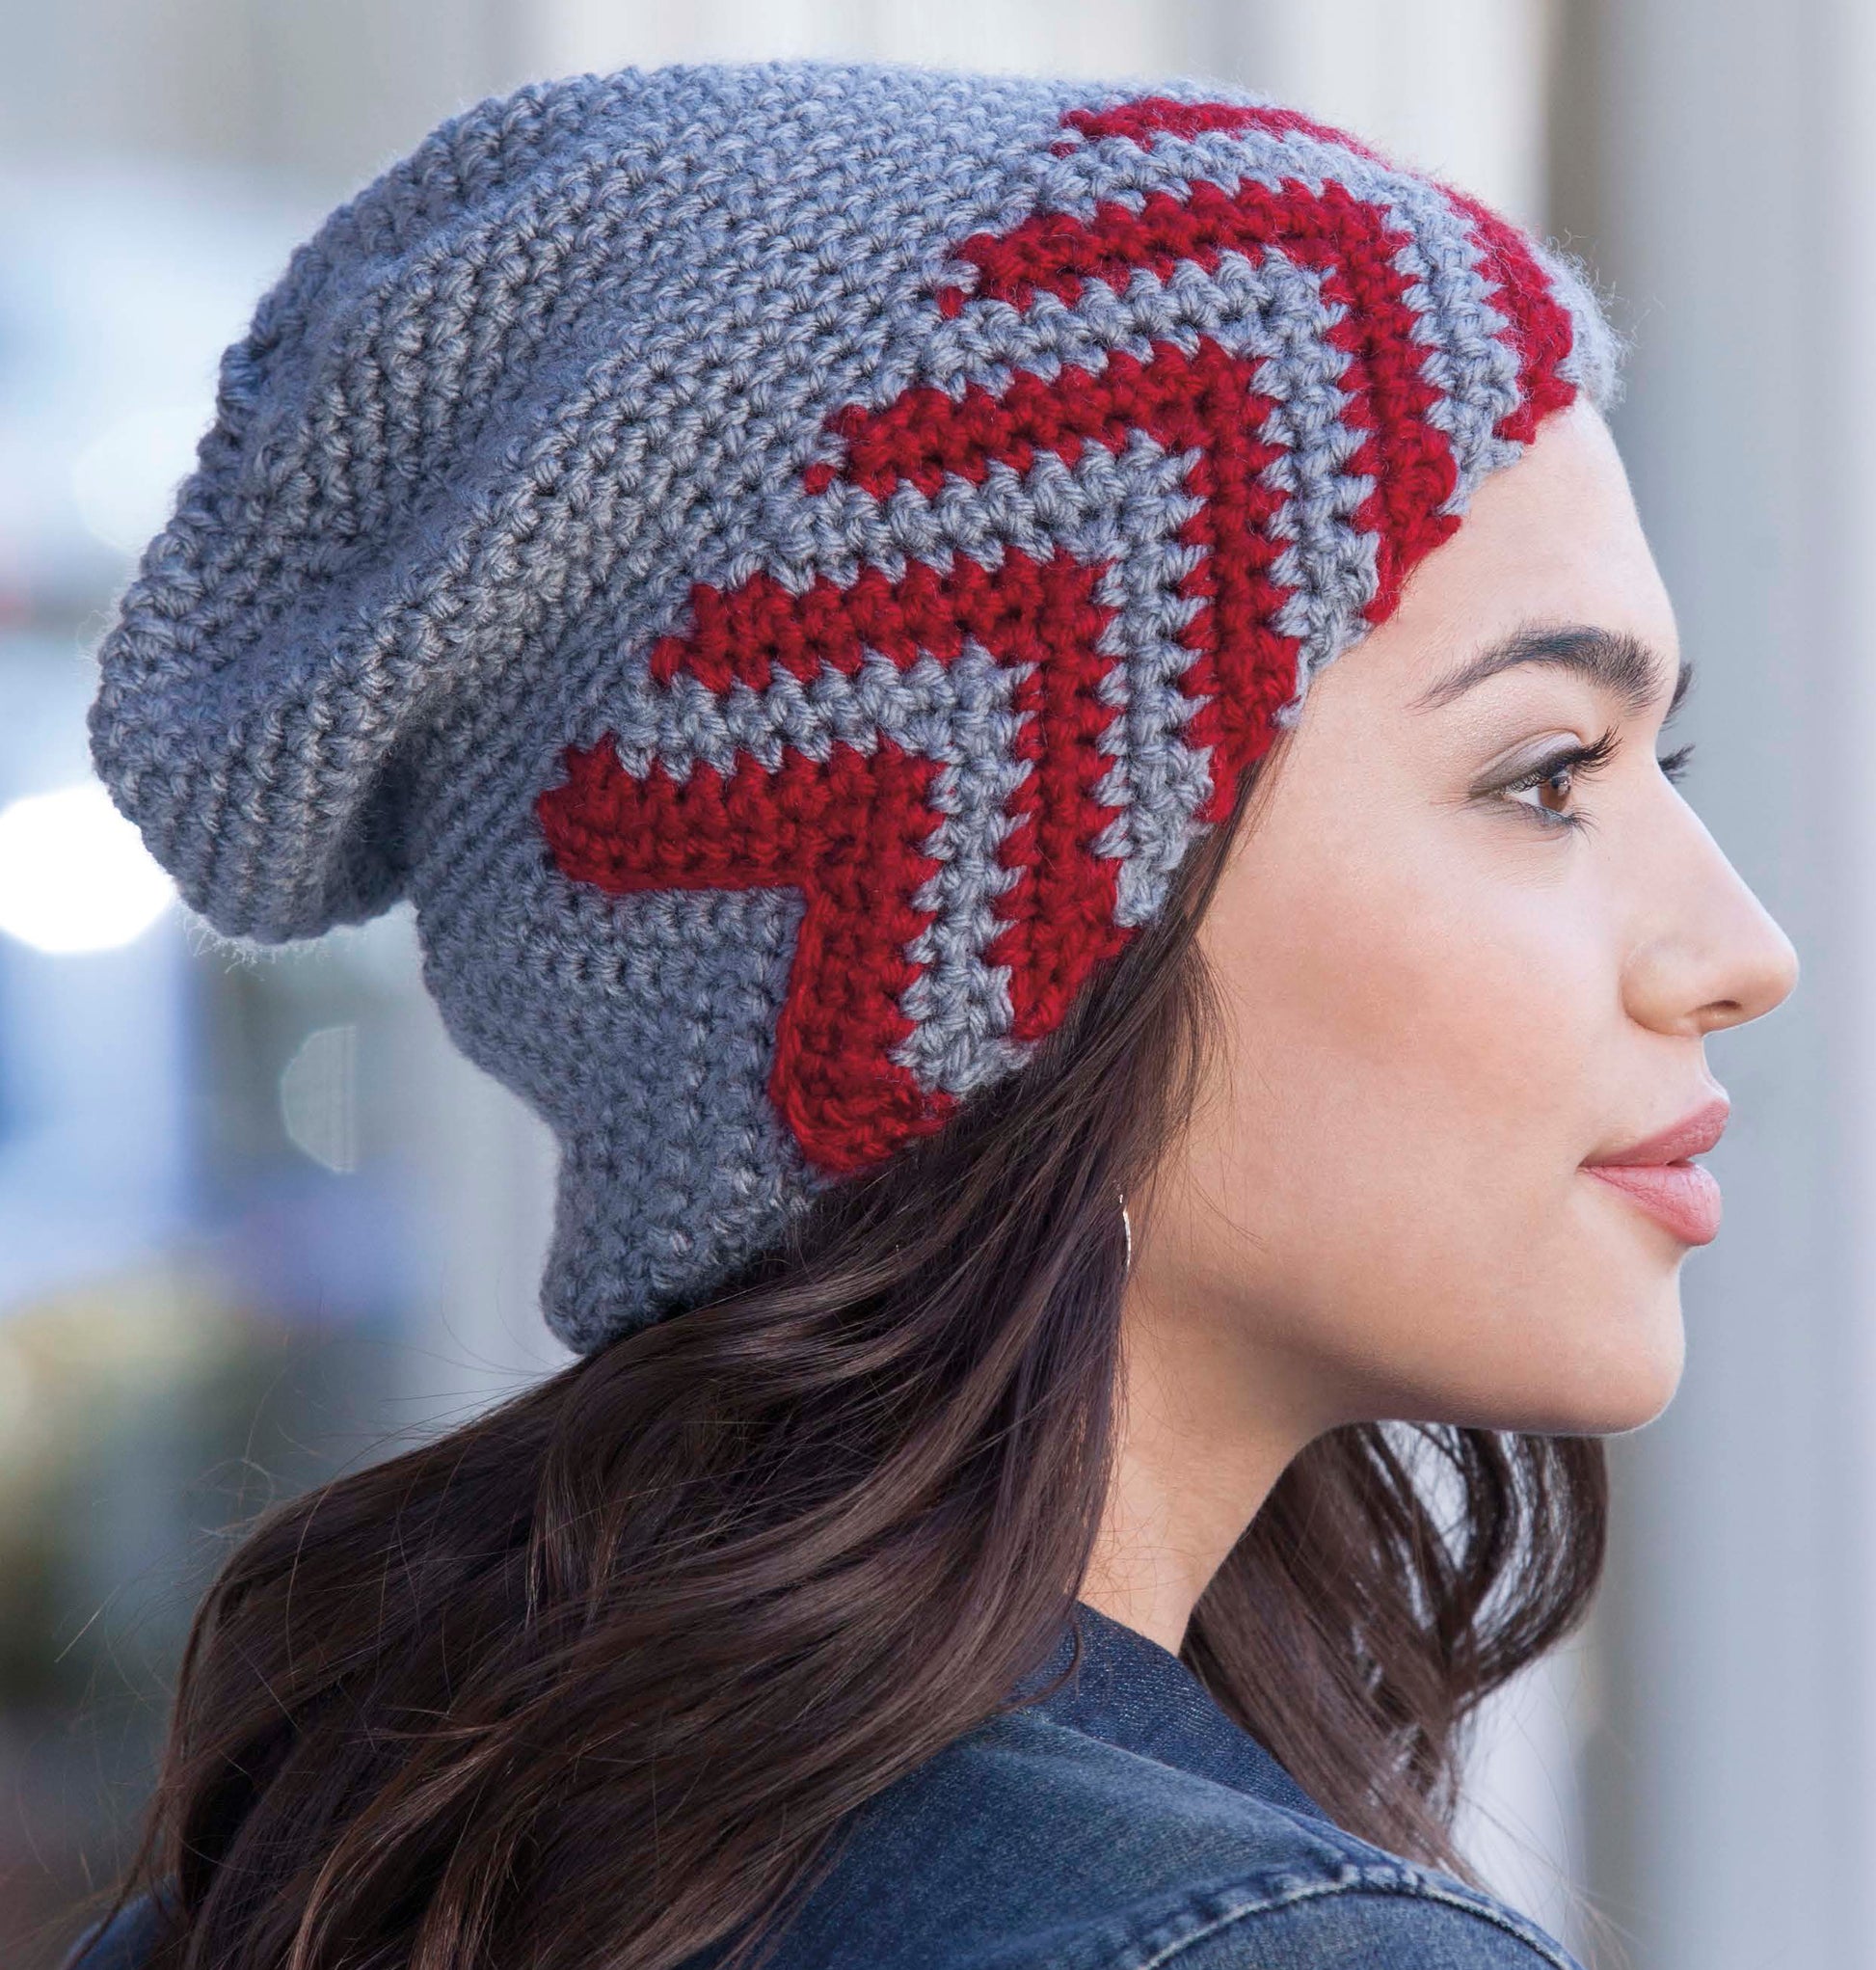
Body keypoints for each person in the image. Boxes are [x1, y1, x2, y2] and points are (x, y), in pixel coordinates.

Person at [67, 59, 1797, 1970]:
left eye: (1666, 757)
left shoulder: (297, 1893)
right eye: (1546, 770)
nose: (1737, 944)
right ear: (1002, 956)